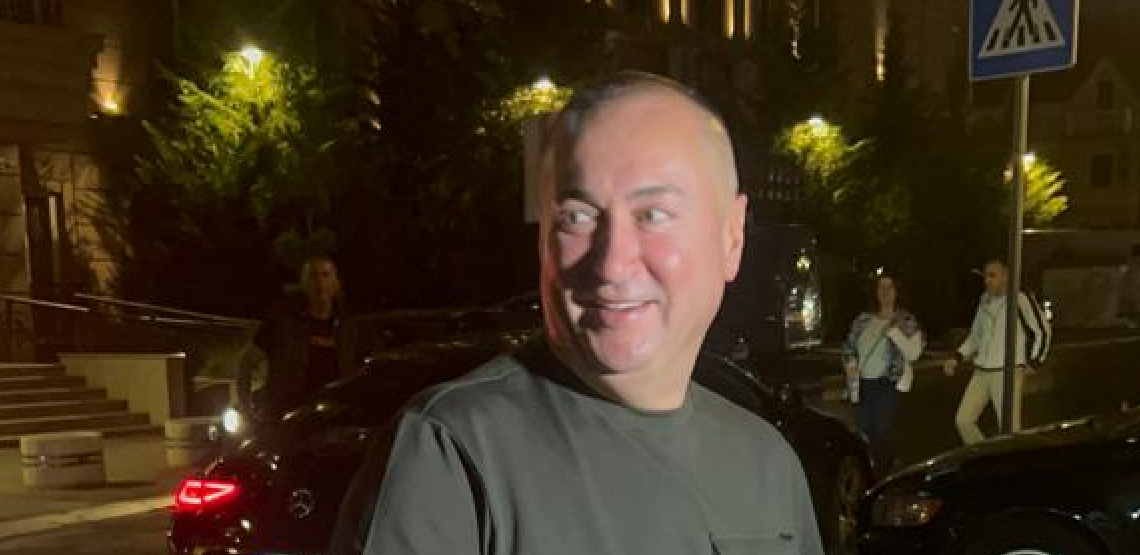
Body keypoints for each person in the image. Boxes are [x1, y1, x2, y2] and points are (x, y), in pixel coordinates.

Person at [332, 72, 824, 555]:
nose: (612, 262)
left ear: (732, 238)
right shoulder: (454, 456)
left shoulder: (768, 466)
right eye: (577, 218)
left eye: (652, 215)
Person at [943, 257, 1051, 444]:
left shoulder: (1020, 298)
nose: (987, 280)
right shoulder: (984, 302)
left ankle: (1010, 459)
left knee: (1009, 430)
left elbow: (1042, 330)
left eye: (992, 275)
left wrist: (1035, 361)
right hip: (982, 370)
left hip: (1007, 371)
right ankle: (985, 455)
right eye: (985, 276)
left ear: (1006, 276)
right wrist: (957, 357)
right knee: (963, 420)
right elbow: (976, 336)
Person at [238, 255, 360, 419]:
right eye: (312, 276)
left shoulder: (348, 327)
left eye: (325, 275)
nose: (320, 283)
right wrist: (247, 410)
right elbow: (246, 363)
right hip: (288, 419)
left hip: (333, 418)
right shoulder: (283, 321)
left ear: (336, 282)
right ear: (303, 283)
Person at [841, 272, 923, 473]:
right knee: (865, 433)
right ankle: (878, 471)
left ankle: (883, 473)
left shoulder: (904, 319)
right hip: (862, 384)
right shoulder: (863, 320)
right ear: (876, 292)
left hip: (888, 383)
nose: (885, 292)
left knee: (881, 431)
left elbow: (915, 353)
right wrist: (851, 364)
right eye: (881, 287)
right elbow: (848, 347)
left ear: (897, 292)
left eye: (890, 287)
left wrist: (894, 333)